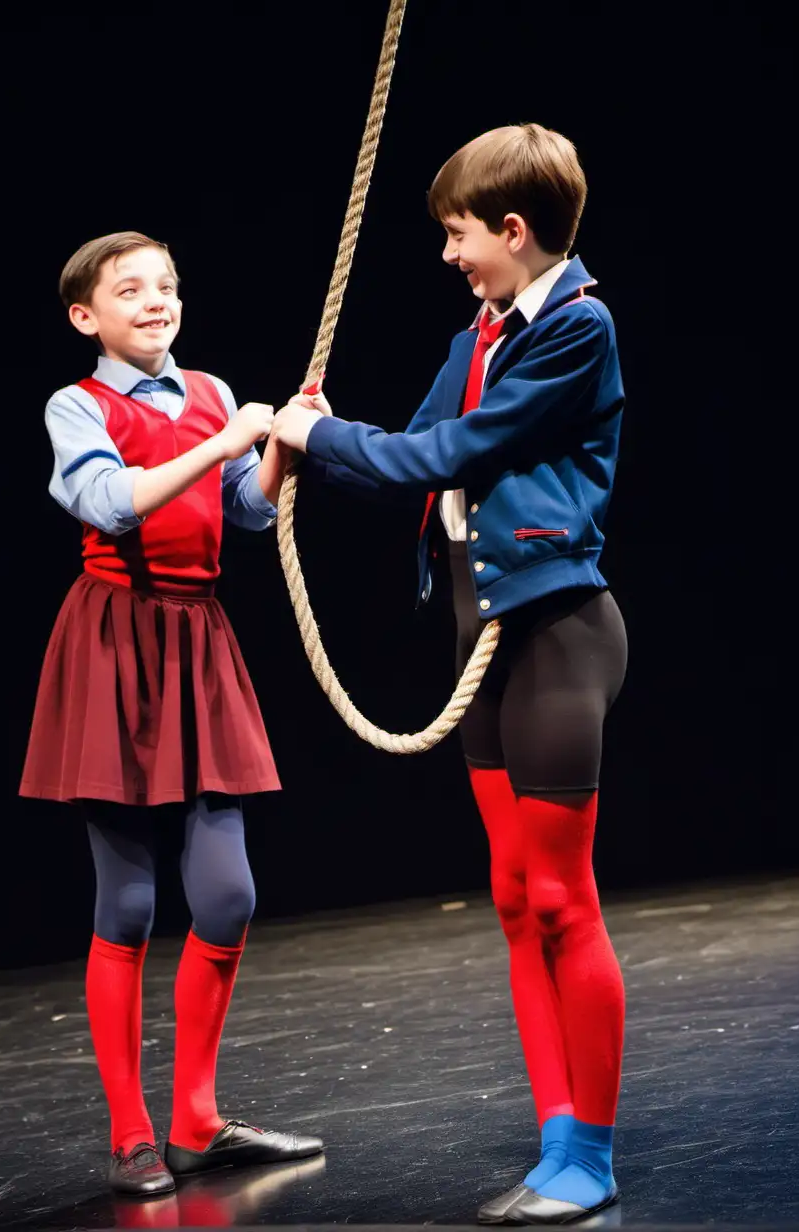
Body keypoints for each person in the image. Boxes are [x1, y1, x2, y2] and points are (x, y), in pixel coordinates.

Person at [273, 124, 627, 1225]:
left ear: (513, 231)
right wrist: (321, 435)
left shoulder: (576, 329)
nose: (448, 253)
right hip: (479, 638)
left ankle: (592, 1153)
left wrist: (319, 439)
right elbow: (403, 461)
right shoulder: (476, 333)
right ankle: (553, 1136)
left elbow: (446, 455)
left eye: (458, 233)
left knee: (565, 895)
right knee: (517, 899)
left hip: (555, 635)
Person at [21, 231, 323, 1197]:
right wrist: (224, 442)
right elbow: (108, 503)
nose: (157, 301)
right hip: (113, 645)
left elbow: (245, 511)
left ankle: (197, 1119)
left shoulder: (211, 393)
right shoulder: (79, 404)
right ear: (87, 315)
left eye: (168, 286)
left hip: (198, 643)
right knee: (131, 902)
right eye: (131, 289)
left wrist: (273, 451)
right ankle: (129, 1133)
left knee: (228, 896)